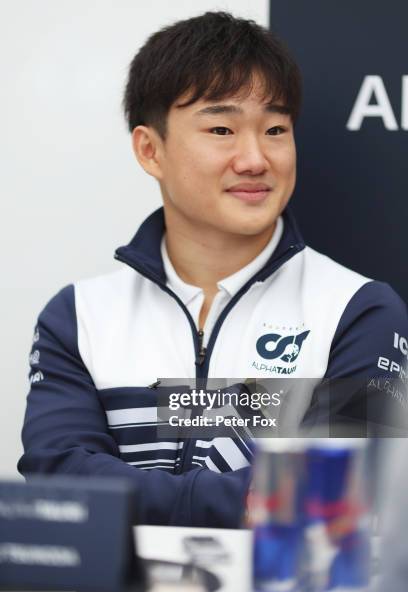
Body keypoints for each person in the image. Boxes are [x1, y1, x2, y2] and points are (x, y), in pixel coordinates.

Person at [18, 12, 408, 526]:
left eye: (275, 129)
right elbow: (59, 484)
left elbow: (338, 496)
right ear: (149, 149)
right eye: (222, 128)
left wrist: (128, 497)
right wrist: (246, 500)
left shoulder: (359, 310)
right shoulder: (79, 317)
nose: (254, 158)